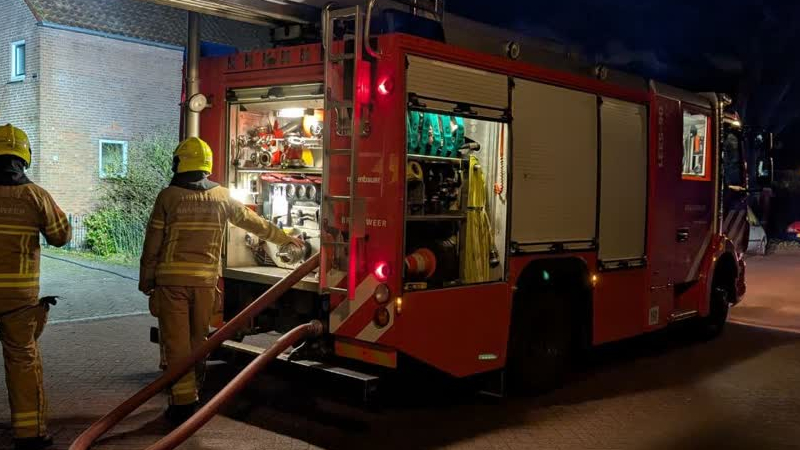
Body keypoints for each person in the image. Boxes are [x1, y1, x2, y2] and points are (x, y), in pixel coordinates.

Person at [139, 137, 301, 424]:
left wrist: (146, 280)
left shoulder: (168, 197)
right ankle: (194, 393)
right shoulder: (223, 197)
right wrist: (285, 239)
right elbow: (254, 223)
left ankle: (182, 405)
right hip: (205, 284)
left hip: (172, 283)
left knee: (176, 345)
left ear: (180, 164)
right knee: (198, 342)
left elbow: (153, 243)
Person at [0, 124, 71, 450]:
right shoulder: (35, 196)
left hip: (20, 302)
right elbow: (60, 236)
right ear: (24, 156)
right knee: (23, 364)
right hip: (19, 302)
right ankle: (29, 435)